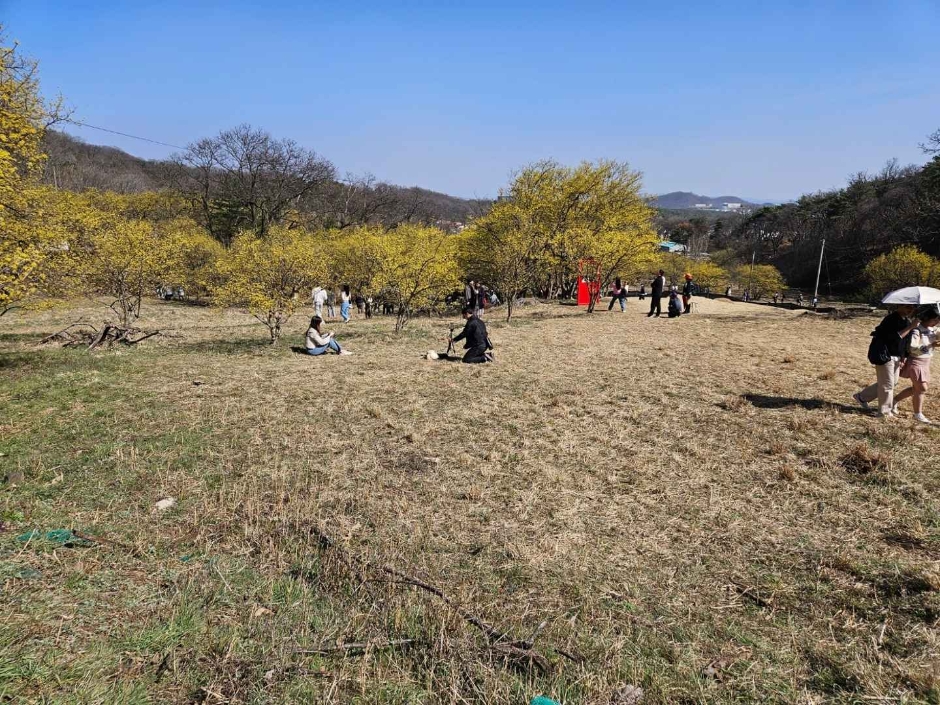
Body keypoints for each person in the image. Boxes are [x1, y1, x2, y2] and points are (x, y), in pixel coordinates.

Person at [853, 304, 919, 418]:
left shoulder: (906, 321)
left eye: (912, 308)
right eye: (908, 307)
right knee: (887, 384)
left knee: (892, 382)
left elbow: (905, 341)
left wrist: (904, 356)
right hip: (885, 355)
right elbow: (894, 338)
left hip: (897, 356)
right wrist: (911, 327)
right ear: (899, 306)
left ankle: (862, 397)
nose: (910, 310)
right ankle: (884, 412)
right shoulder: (890, 319)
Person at [892, 305, 940, 424]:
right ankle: (918, 413)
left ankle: (894, 400)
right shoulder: (917, 330)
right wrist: (930, 345)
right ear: (927, 318)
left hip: (926, 362)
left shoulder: (934, 330)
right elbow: (912, 348)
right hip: (916, 362)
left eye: (938, 320)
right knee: (922, 388)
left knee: (916, 388)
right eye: (934, 320)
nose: (936, 322)